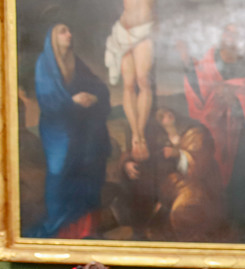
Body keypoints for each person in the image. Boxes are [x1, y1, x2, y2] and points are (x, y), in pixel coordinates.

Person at [177, 25, 245, 242]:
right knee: (221, 178)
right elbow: (199, 89)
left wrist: (238, 96)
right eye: (227, 32)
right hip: (220, 134)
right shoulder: (209, 63)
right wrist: (188, 63)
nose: (231, 37)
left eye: (235, 33)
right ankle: (226, 225)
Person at [28, 24, 112, 240]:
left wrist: (94, 98)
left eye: (69, 31)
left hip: (81, 133)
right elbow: (47, 100)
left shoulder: (76, 63)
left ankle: (85, 232)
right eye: (63, 31)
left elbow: (99, 87)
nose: (69, 35)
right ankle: (60, 231)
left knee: (86, 175)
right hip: (58, 134)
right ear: (52, 38)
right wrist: (71, 101)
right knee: (60, 176)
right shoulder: (44, 64)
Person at [105, 0, 157, 162]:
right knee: (128, 85)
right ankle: (136, 135)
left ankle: (140, 134)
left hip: (144, 32)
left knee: (143, 81)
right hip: (123, 32)